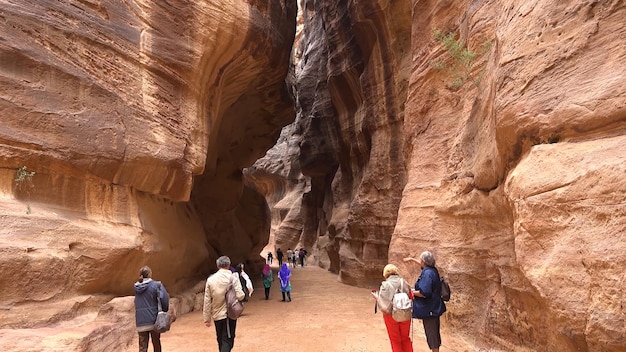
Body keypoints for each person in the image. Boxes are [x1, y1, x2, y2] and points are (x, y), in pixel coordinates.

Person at [404, 251, 446, 352]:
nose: (420, 261)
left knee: (431, 334)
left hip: (430, 309)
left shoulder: (427, 274)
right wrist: (412, 260)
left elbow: (424, 292)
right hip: (434, 307)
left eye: (421, 260)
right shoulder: (432, 270)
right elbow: (425, 264)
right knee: (434, 332)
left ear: (424, 262)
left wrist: (411, 292)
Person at [203, 256, 245, 352]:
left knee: (220, 340)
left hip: (217, 315)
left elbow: (207, 300)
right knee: (228, 341)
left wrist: (207, 318)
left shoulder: (210, 280)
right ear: (228, 265)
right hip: (229, 314)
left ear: (217, 266)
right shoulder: (233, 277)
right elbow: (240, 295)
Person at [371, 264, 413, 352]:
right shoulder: (403, 282)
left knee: (395, 340)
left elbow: (384, 306)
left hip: (391, 316)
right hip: (405, 314)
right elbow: (410, 296)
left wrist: (377, 297)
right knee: (405, 339)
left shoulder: (385, 285)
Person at [134, 266, 170, 352]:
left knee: (142, 347)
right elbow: (164, 299)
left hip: (141, 321)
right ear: (150, 274)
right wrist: (164, 310)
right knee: (156, 343)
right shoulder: (156, 285)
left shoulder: (136, 287)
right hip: (154, 320)